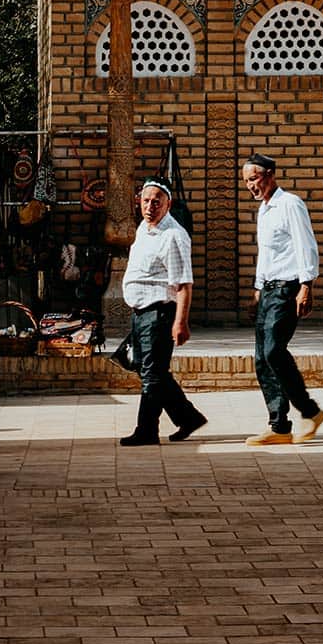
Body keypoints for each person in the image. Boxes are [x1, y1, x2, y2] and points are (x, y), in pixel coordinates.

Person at [243, 153, 323, 446]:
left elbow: (306, 244)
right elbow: (266, 255)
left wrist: (307, 285)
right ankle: (279, 426)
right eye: (246, 182)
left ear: (269, 174)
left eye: (253, 179)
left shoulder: (290, 204)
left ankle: (310, 411)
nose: (250, 186)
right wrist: (256, 290)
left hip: (287, 289)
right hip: (267, 291)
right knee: (261, 359)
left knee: (273, 351)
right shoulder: (263, 211)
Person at [119, 178, 208, 448]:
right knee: (150, 369)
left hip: (159, 313)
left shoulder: (174, 236)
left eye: (157, 200)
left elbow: (183, 283)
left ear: (168, 203)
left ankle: (146, 429)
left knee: (152, 374)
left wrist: (180, 322)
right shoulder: (144, 229)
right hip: (140, 313)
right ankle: (188, 417)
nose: (151, 205)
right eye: (146, 200)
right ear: (139, 202)